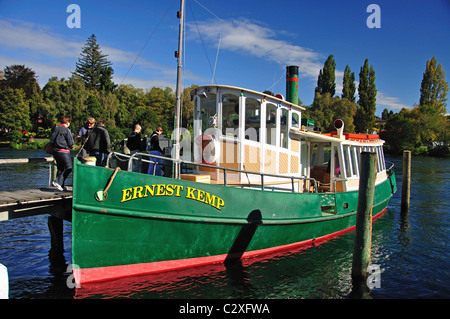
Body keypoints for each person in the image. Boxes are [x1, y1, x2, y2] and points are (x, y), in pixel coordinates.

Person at [50, 116, 74, 191]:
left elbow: (52, 140)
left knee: (60, 168)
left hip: (55, 151)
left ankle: (61, 185)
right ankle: (58, 182)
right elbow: (71, 143)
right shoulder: (66, 130)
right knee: (69, 167)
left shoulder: (56, 128)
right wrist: (71, 146)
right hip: (63, 151)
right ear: (67, 122)